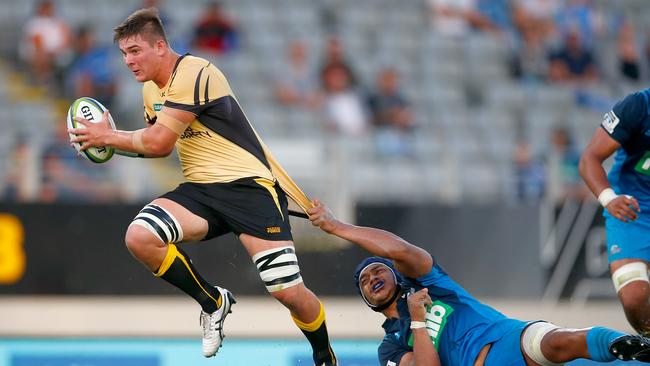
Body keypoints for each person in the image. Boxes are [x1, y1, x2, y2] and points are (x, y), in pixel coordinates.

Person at [67, 8, 337, 365]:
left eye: (135, 51)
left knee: (288, 293)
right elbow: (153, 147)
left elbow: (159, 142)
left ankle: (323, 353)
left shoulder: (196, 71)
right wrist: (106, 144)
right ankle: (213, 302)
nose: (128, 61)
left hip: (249, 188)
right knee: (140, 237)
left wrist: (109, 137)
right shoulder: (151, 90)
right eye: (123, 54)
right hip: (202, 192)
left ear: (160, 46)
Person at [307, 199, 650, 365]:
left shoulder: (430, 282)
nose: (372, 278)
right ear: (366, 300)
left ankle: (633, 346)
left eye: (378, 270)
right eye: (364, 280)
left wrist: (337, 227)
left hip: (510, 340)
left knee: (558, 341)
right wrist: (419, 322)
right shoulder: (391, 349)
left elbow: (398, 248)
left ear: (396, 274)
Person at [579, 89, 650, 337]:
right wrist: (609, 199)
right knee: (634, 297)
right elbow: (590, 157)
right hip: (633, 210)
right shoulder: (638, 106)